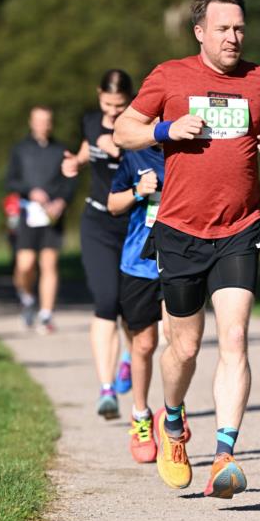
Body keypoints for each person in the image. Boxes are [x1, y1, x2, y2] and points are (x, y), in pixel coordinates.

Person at [114, 0, 260, 499]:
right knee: (184, 348)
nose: (233, 38)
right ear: (200, 32)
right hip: (180, 230)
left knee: (234, 338)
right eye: (223, 29)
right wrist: (167, 127)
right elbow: (126, 130)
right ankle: (172, 423)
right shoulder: (169, 76)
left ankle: (226, 455)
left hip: (240, 227)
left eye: (239, 29)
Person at [108, 141, 192, 464]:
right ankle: (140, 416)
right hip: (138, 264)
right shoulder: (135, 154)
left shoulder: (191, 152)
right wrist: (139, 190)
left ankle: (173, 408)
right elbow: (113, 205)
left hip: (179, 261)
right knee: (143, 344)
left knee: (179, 340)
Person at [62, 69, 134, 418]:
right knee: (106, 300)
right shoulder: (91, 121)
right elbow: (84, 150)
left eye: (120, 105)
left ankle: (129, 357)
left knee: (131, 304)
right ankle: (106, 389)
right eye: (108, 104)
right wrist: (73, 163)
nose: (113, 112)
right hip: (97, 222)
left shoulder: (140, 123)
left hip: (133, 223)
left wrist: (120, 141)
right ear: (98, 97)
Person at [5, 105, 76, 333]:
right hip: (27, 213)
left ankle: (46, 314)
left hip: (52, 215)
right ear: (31, 122)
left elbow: (70, 180)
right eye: (38, 120)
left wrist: (61, 201)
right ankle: (27, 299)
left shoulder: (61, 149)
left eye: (46, 120)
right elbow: (10, 181)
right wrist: (30, 191)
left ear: (51, 123)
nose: (42, 125)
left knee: (49, 264)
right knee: (25, 265)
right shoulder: (20, 149)